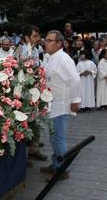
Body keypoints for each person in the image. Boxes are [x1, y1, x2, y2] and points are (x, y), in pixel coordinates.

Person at [39, 30, 81, 179]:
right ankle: (56, 165)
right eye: (46, 40)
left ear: (59, 43)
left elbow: (75, 79)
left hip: (61, 105)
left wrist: (76, 100)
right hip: (53, 104)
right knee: (54, 137)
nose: (46, 42)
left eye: (49, 40)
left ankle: (62, 170)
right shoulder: (52, 57)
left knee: (58, 138)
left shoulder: (63, 58)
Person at [13, 25, 47, 162]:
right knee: (24, 121)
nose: (37, 39)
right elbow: (15, 70)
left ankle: (33, 149)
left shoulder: (35, 49)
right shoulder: (20, 50)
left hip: (35, 90)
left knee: (35, 119)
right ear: (26, 37)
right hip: (23, 92)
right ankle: (22, 156)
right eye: (34, 36)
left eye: (38, 36)